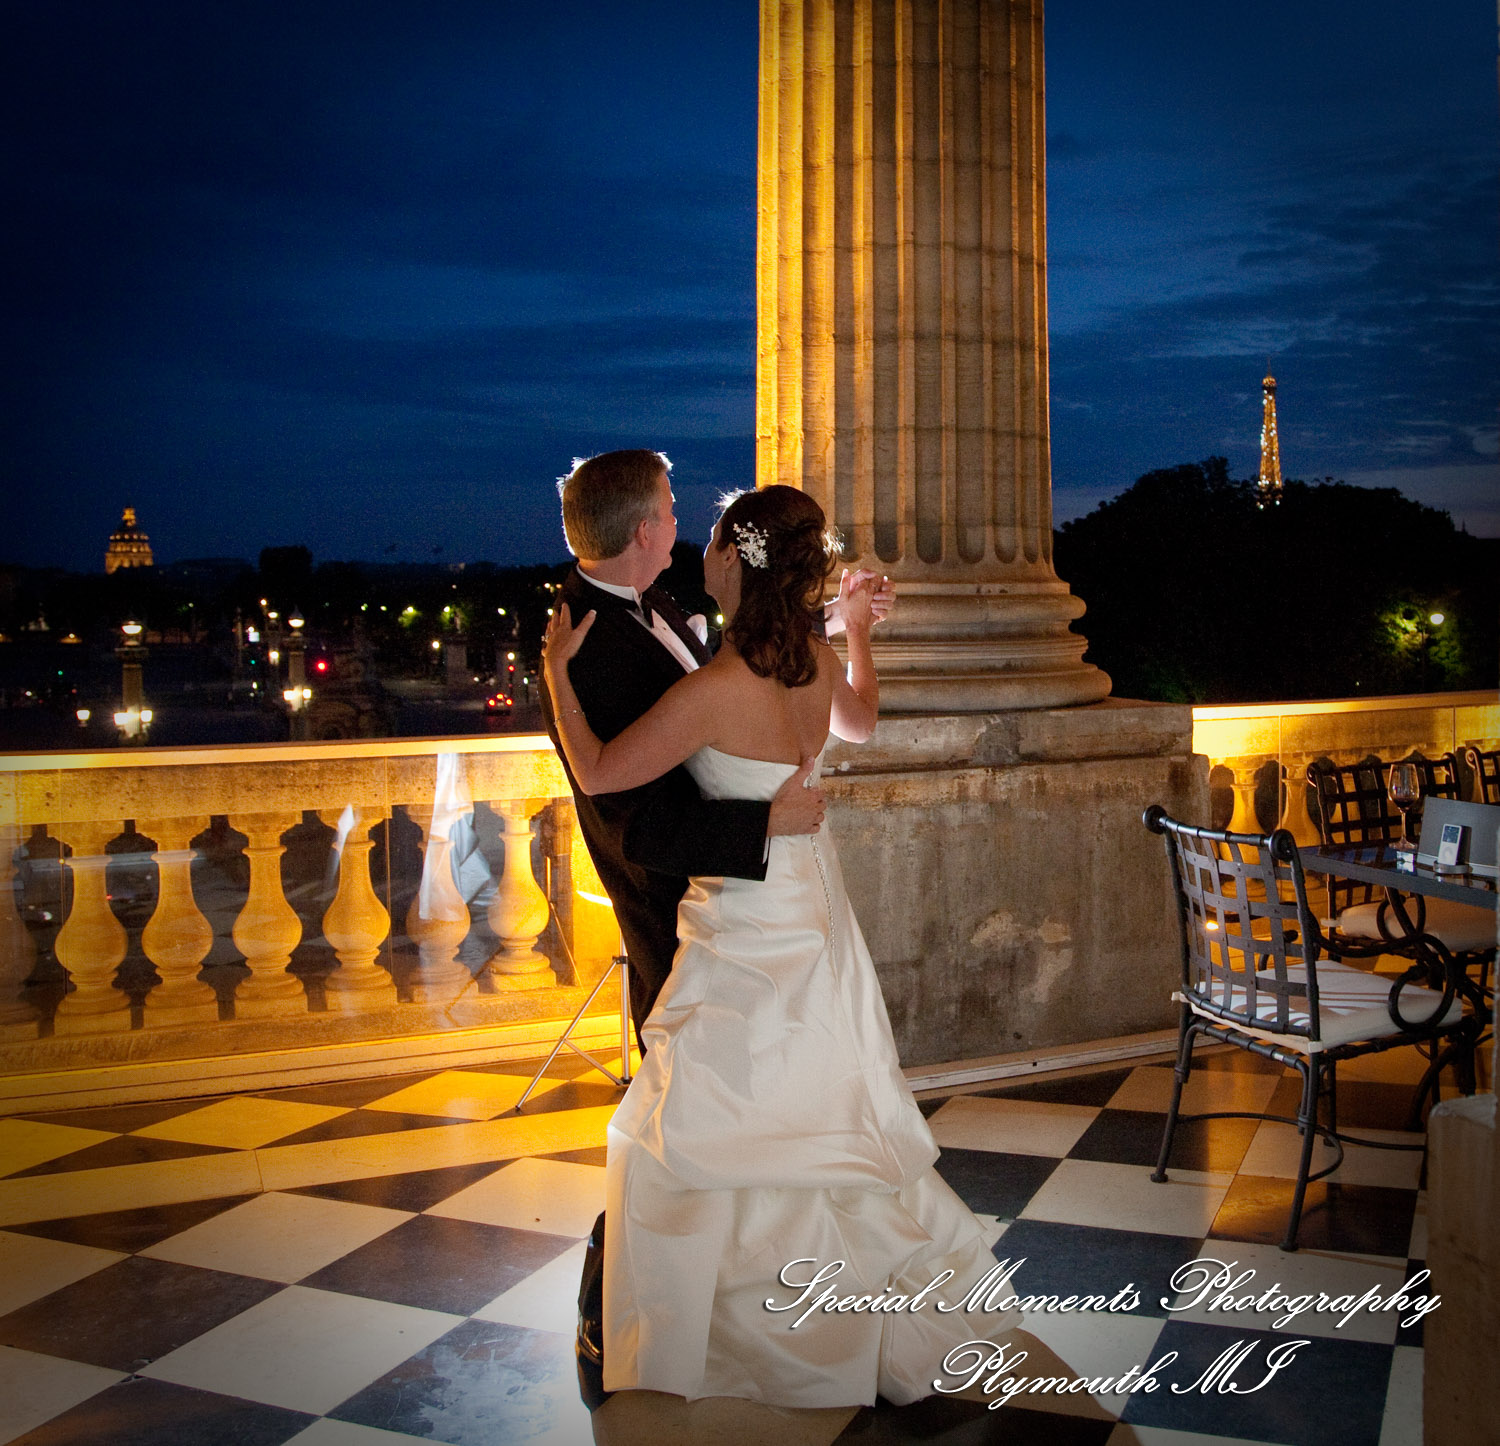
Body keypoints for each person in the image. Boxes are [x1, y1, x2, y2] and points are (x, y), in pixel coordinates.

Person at [543, 485, 1015, 1414]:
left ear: (733, 558)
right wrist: (856, 633)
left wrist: (559, 677)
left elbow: (598, 772)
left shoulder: (714, 690)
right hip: (815, 907)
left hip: (742, 924)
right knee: (823, 1097)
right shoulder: (810, 658)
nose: (699, 549)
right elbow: (862, 723)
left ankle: (739, 1327)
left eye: (711, 536)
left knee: (706, 1118)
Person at [541, 449, 888, 1036]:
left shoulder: (667, 616)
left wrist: (833, 619)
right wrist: (761, 824)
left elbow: (748, 674)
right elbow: (618, 809)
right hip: (680, 893)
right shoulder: (585, 642)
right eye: (673, 510)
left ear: (734, 557)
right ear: (644, 530)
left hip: (743, 893)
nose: (681, 525)